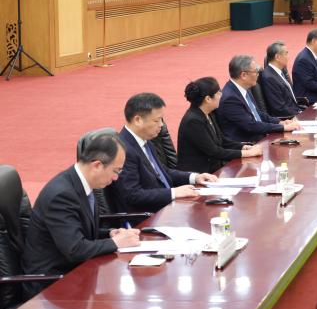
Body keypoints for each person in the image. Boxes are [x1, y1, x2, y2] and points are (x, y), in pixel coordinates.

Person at [21, 129, 141, 296]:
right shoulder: (61, 195)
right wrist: (116, 243)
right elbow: (75, 249)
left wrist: (110, 234)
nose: (116, 178)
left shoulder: (82, 184)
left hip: (73, 271)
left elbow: (80, 231)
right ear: (97, 165)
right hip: (51, 285)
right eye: (116, 171)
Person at [105, 93, 218, 213]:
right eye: (157, 121)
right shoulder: (124, 150)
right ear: (137, 120)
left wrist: (194, 177)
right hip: (148, 216)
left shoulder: (145, 140)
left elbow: (163, 172)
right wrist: (174, 192)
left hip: (166, 206)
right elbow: (133, 195)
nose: (161, 125)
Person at [177, 77, 263, 174]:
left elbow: (222, 140)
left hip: (214, 169)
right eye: (218, 93)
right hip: (199, 174)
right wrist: (247, 154)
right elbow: (214, 151)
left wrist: (243, 147)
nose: (221, 95)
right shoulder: (193, 121)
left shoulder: (209, 112)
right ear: (208, 99)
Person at [218, 55, 300, 143]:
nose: (258, 74)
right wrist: (283, 128)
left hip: (259, 138)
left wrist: (279, 122)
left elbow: (256, 113)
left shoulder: (244, 88)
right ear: (244, 75)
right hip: (248, 145)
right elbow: (250, 125)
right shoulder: (230, 99)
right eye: (256, 71)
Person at [258, 41, 302, 118]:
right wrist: (301, 115)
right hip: (288, 118)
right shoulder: (269, 77)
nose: (288, 57)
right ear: (277, 57)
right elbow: (279, 108)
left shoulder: (279, 72)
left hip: (295, 111)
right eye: (286, 54)